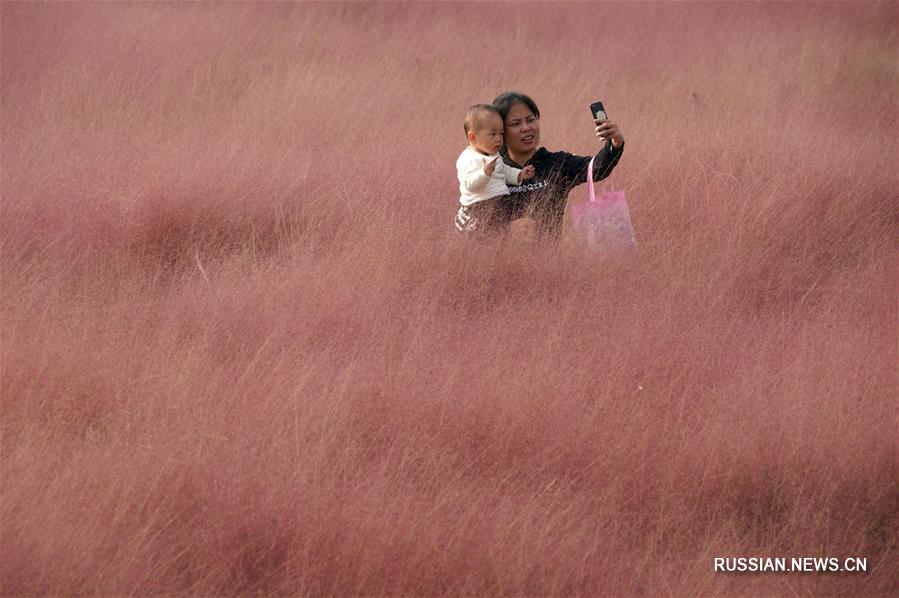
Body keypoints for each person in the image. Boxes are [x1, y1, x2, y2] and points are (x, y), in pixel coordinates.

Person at [486, 91, 626, 241]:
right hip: (500, 260)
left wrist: (615, 144)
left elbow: (598, 169)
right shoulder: (486, 168)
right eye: (515, 123)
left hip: (549, 260)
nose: (526, 127)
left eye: (531, 120)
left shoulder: (557, 163)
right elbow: (469, 221)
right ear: (500, 131)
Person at [454, 104, 536, 235]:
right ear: (473, 137)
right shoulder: (468, 159)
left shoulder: (494, 155)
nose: (499, 139)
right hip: (480, 206)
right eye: (492, 134)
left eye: (501, 134)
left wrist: (519, 174)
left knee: (516, 223)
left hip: (500, 201)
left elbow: (504, 170)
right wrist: (484, 173)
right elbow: (470, 185)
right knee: (488, 235)